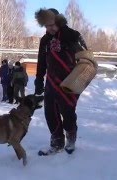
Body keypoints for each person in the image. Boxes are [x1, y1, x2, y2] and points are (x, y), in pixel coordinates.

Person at [34, 8, 88, 155]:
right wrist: (39, 79)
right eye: (46, 26)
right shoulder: (45, 40)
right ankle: (57, 142)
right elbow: (41, 62)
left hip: (70, 80)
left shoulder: (72, 35)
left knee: (67, 111)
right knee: (50, 112)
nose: (50, 28)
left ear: (59, 21)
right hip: (51, 81)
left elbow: (86, 57)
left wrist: (81, 77)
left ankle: (71, 137)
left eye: (52, 25)